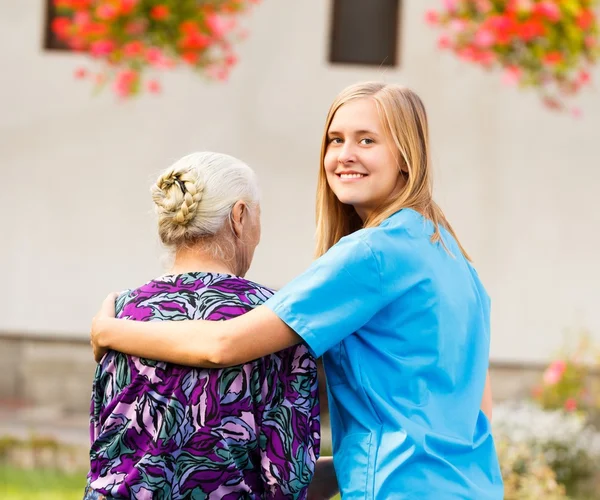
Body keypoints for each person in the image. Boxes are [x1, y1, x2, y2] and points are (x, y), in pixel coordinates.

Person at [91, 82, 503, 499]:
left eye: (368, 140)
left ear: (406, 157)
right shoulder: (451, 256)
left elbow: (222, 344)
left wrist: (109, 331)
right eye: (335, 140)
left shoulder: (373, 253)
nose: (345, 155)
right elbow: (476, 408)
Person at [84, 152, 321, 500]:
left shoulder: (118, 312)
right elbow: (288, 474)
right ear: (240, 217)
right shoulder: (272, 320)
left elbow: (103, 444)